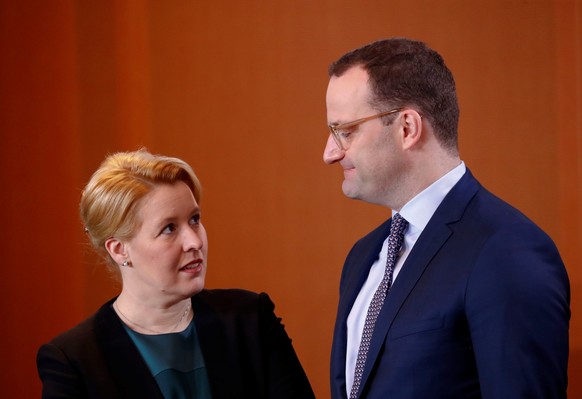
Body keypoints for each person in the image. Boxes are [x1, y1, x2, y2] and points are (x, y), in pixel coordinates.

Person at [323, 38, 570, 399]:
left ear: (407, 127)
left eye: (345, 131)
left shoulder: (507, 252)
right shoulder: (362, 256)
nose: (330, 153)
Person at [37, 149, 315, 399]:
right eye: (169, 228)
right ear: (120, 249)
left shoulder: (251, 319)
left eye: (194, 220)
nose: (194, 242)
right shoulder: (72, 360)